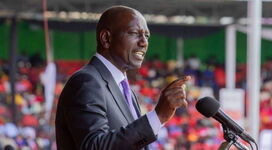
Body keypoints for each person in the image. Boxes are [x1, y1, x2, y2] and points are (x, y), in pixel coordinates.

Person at [55, 5, 191, 150]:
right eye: (134, 33)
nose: (144, 42)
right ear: (106, 38)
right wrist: (157, 116)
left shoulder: (126, 90)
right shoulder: (86, 82)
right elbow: (95, 146)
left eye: (146, 36)